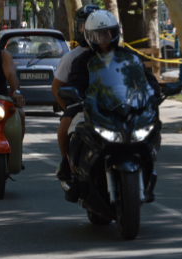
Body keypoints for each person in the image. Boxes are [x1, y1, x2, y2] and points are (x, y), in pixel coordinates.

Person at [57, 10, 160, 191]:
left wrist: (154, 93)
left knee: (152, 125)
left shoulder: (129, 57)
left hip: (125, 106)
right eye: (98, 34)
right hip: (93, 106)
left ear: (115, 33)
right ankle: (67, 163)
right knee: (66, 122)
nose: (103, 38)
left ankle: (147, 162)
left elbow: (146, 78)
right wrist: (76, 95)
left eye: (106, 33)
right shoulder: (82, 61)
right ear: (89, 36)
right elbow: (76, 83)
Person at [52, 5, 99, 182]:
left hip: (108, 104)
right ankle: (66, 161)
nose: (87, 30)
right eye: (83, 25)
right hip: (81, 104)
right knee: (65, 124)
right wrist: (69, 109)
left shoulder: (112, 54)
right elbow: (56, 88)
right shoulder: (71, 58)